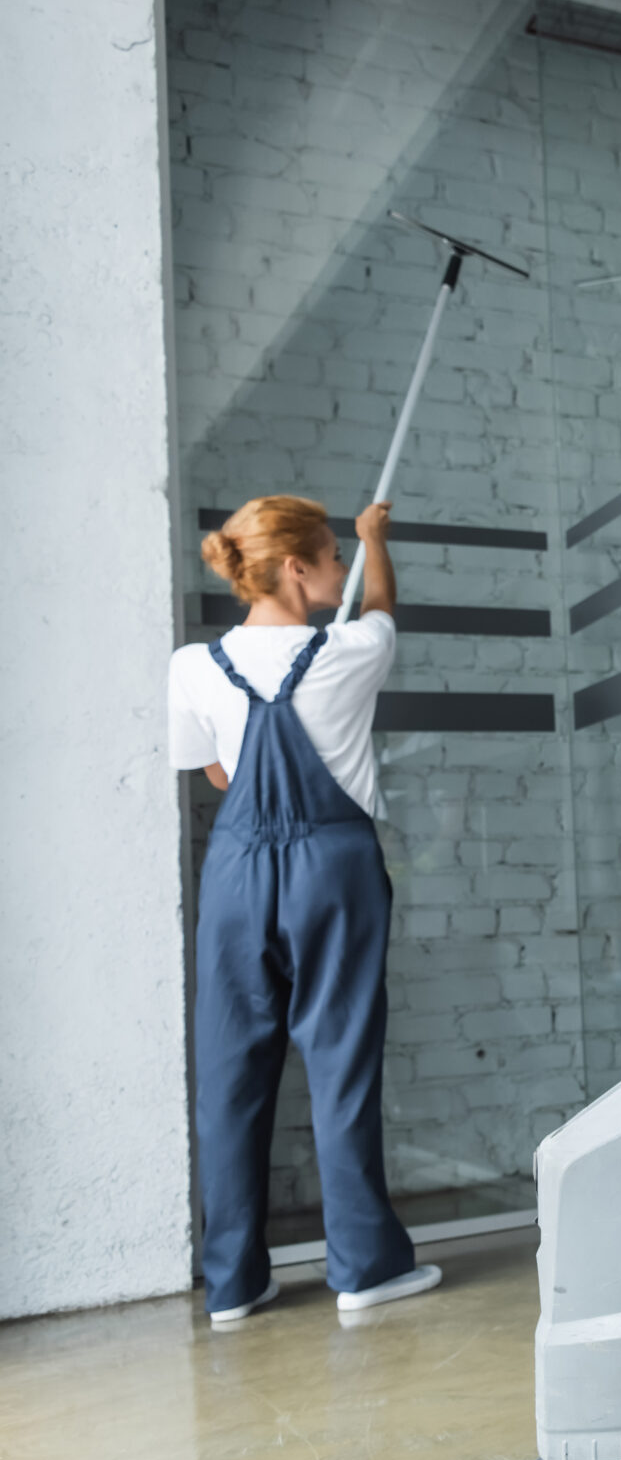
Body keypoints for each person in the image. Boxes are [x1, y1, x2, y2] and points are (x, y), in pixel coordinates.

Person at [169, 497, 440, 1323]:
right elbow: (382, 605)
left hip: (237, 871)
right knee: (340, 1058)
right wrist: (376, 540)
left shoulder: (195, 664)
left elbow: (217, 772)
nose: (339, 569)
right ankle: (364, 1268)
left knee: (231, 1072)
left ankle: (233, 1284)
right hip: (333, 865)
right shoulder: (352, 649)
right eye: (330, 555)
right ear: (296, 568)